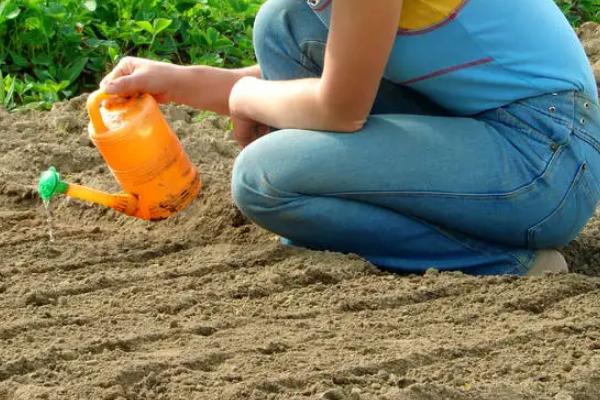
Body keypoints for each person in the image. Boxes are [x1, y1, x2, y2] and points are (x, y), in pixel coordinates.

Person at [100, 0, 600, 276]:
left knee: (264, 180)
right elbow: (343, 70)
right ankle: (337, 210)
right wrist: (183, 82)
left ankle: (504, 263)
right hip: (502, 134)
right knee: (286, 23)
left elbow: (340, 107)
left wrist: (245, 99)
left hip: (546, 162)